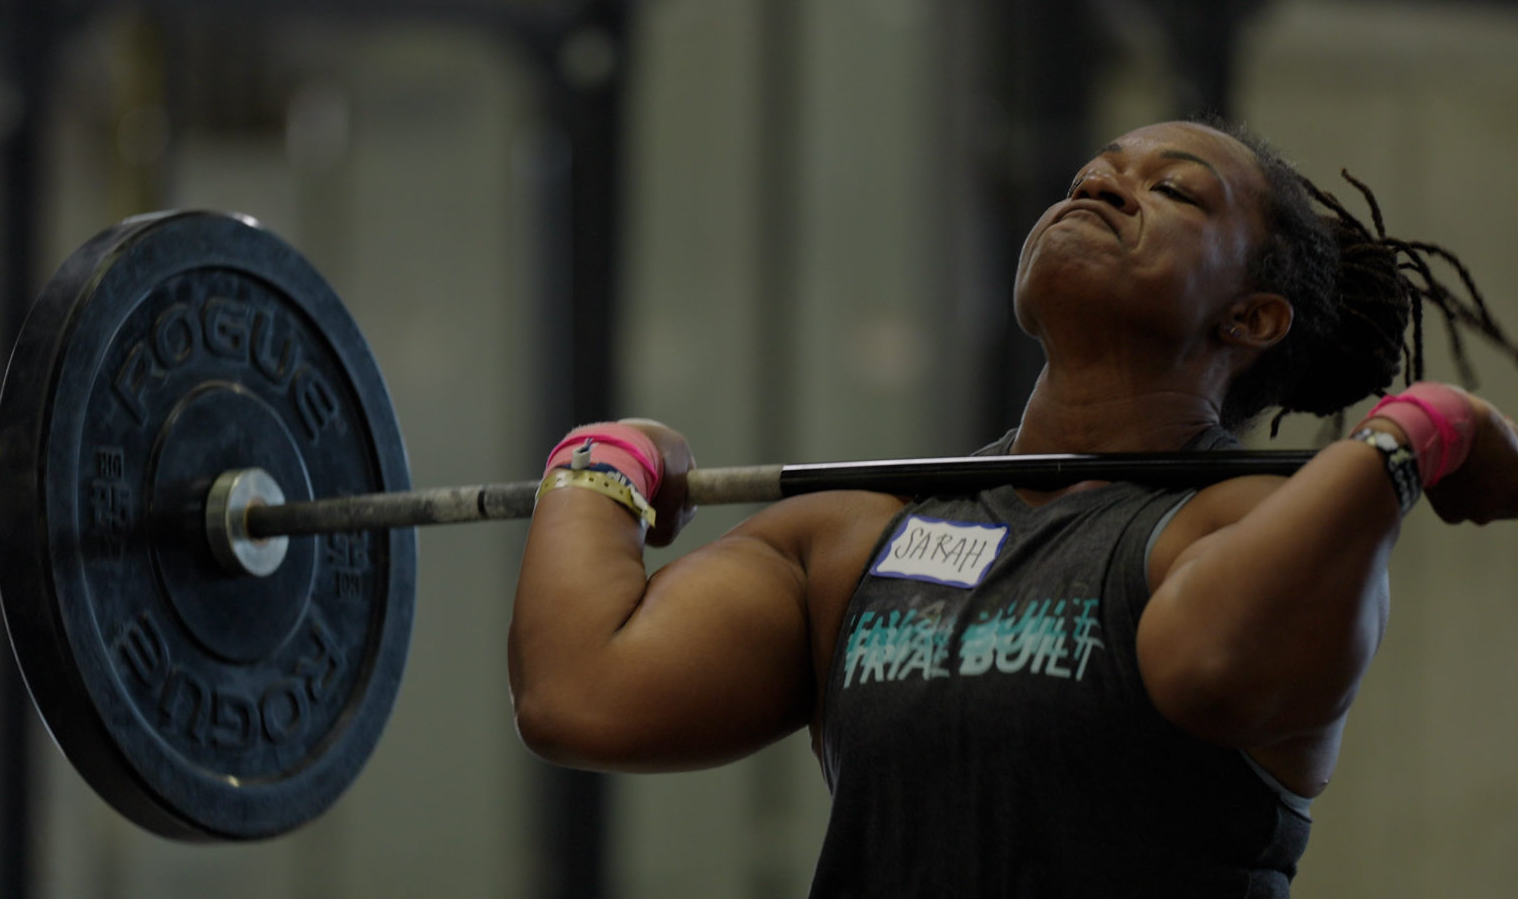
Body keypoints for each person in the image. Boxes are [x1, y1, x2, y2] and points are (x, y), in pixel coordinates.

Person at [507, 119, 1518, 896]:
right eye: (1093, 176)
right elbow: (582, 692)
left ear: (1248, 317)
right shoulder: (855, 530)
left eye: (1171, 190)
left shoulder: (1240, 521)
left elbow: (1211, 668)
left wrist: (1421, 434)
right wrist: (601, 464)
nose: (1104, 184)